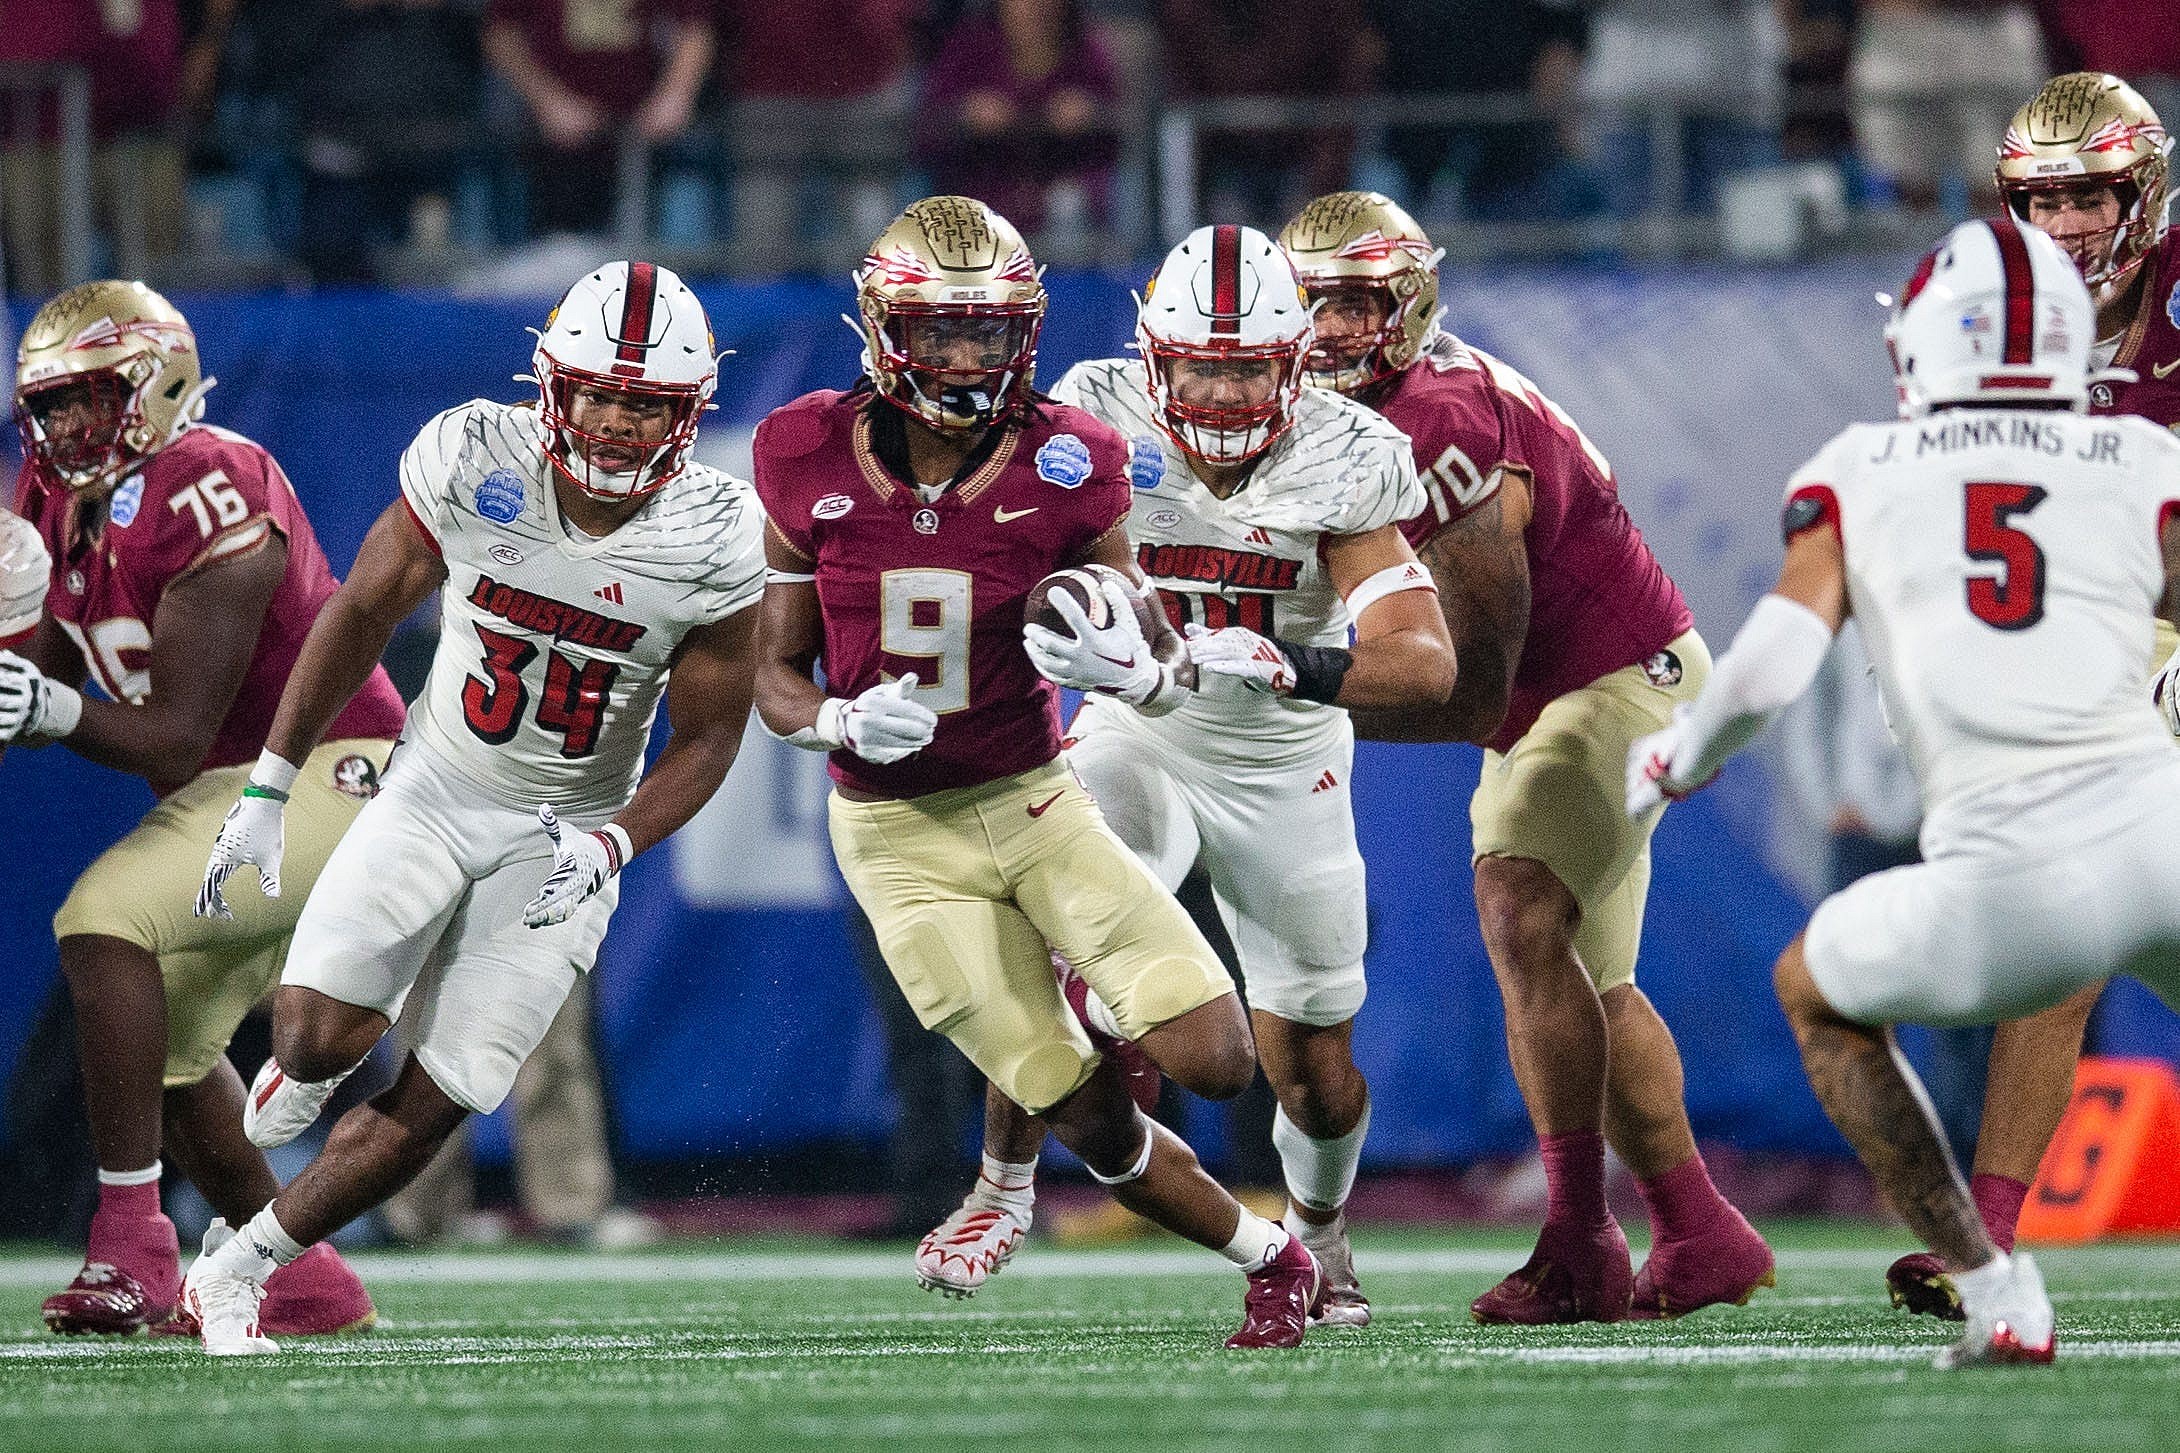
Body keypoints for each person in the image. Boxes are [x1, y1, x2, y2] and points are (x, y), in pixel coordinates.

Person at [752, 196, 1325, 1349]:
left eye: (990, 332)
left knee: (1213, 1061)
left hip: (1033, 795)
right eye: (941, 333)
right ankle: (1272, 1258)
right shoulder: (800, 448)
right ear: (882, 331)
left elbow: (1149, 639)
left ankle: (1066, 1018)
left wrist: (1132, 659)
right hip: (896, 838)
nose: (967, 359)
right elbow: (774, 675)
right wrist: (834, 720)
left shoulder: (1074, 457)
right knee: (1092, 1120)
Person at [175, 261, 766, 1355]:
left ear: (687, 414)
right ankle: (303, 1067)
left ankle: (238, 1266)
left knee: (450, 1091)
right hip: (439, 786)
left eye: (645, 401)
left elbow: (711, 736)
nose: (617, 419)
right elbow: (359, 609)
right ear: (553, 383)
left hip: (559, 832)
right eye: (598, 391)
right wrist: (268, 782)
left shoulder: (716, 530)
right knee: (311, 1039)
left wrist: (613, 842)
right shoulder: (474, 454)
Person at [1629, 214, 2180, 1367]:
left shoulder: (1858, 467)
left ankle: (1993, 1286)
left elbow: (1776, 656)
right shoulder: (2143, 458)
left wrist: (1679, 754)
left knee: (1815, 991)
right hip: (2160, 836)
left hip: (2014, 871)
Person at [916, 223, 1456, 1325]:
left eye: (1244, 365)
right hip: (1137, 731)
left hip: (1282, 762)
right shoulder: (1092, 413)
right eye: (1199, 363)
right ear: (1153, 359)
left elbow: (1425, 664)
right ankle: (1001, 1183)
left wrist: (1286, 659)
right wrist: (1065, 630)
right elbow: (1009, 554)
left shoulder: (1343, 451)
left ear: (1291, 363)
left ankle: (1319, 1228)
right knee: (1059, 925)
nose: (1217, 389)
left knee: (1309, 1061)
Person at [1276, 191, 1774, 1323]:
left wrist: (1286, 689)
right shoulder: (1331, 410)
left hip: (1611, 677)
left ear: (1408, 304)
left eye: (1357, 305)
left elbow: (1470, 692)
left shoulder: (1439, 417)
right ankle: (1699, 1229)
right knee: (1585, 979)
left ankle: (1576, 1241)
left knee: (1515, 906)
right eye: (1310, 307)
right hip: (1552, 703)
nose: (1330, 334)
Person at [5, 280, 399, 1337]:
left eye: (92, 398)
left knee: (102, 917)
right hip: (229, 799)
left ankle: (132, 1243)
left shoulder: (214, 481)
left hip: (327, 772)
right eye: (50, 407)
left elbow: (173, 734)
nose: (67, 428)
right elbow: (25, 673)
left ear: (160, 379)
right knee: (162, 1061)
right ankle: (304, 1285)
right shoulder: (49, 501)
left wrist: (42, 702)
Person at [1882, 69, 2180, 1321]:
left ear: (2144, 193)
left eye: (2087, 196)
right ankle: (1988, 1245)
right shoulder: (1958, 303)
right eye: (2036, 199)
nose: (2059, 226)